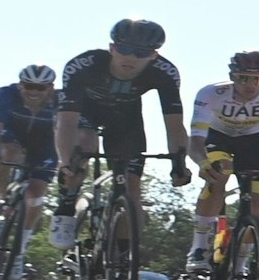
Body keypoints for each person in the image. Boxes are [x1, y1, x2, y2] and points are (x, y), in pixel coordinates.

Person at [50, 19, 191, 251]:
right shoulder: (83, 65)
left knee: (131, 188)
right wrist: (66, 162)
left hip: (125, 117)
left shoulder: (165, 73)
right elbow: (66, 122)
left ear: (153, 55)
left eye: (141, 53)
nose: (131, 58)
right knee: (84, 144)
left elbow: (174, 125)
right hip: (85, 111)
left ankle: (124, 255)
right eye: (124, 49)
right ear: (112, 48)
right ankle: (66, 203)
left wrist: (179, 162)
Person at [183, 52, 259, 277]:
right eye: (242, 78)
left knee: (256, 203)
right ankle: (199, 248)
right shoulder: (211, 93)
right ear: (232, 77)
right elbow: (195, 139)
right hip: (218, 138)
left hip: (253, 142)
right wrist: (202, 162)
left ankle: (239, 267)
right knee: (220, 173)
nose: (249, 84)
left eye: (256, 79)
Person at [0, 66, 60, 261]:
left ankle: (20, 250)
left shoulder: (60, 101)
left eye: (40, 88)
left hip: (44, 144)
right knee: (9, 153)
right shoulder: (5, 95)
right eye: (28, 86)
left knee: (36, 193)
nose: (34, 91)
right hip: (12, 135)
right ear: (20, 85)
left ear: (51, 88)